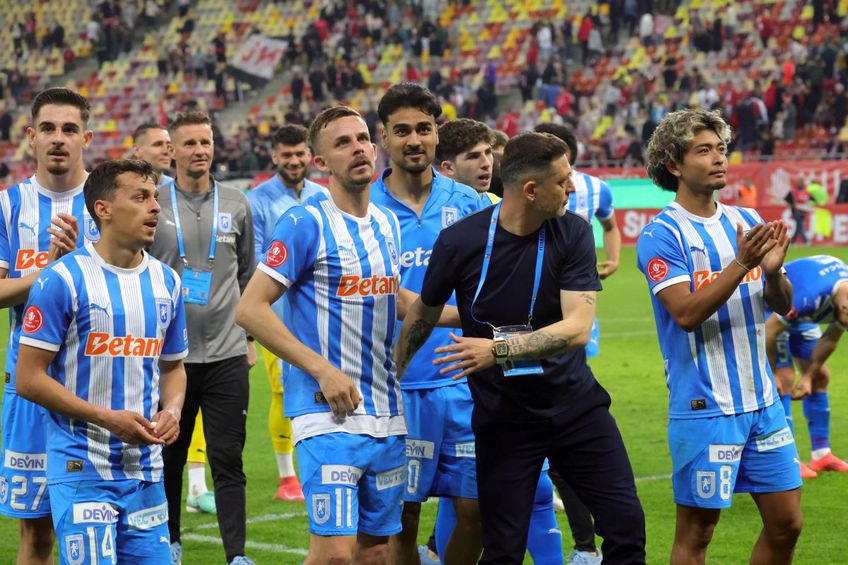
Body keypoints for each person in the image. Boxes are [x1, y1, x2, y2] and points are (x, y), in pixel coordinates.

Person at [396, 131, 646, 564]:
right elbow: (424, 314)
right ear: (531, 190)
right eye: (563, 180)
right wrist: (390, 378)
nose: (572, 188)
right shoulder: (460, 242)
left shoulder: (573, 231)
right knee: (503, 550)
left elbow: (577, 328)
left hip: (577, 408)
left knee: (626, 530)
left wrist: (497, 349)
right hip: (504, 419)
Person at [236, 105, 408, 565]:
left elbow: (398, 299)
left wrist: (478, 320)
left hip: (387, 411)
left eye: (362, 138)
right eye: (342, 143)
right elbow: (250, 309)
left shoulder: (388, 224)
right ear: (320, 162)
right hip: (325, 413)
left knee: (376, 552)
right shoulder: (304, 222)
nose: (358, 148)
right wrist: (322, 370)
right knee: (334, 556)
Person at [637, 109, 802, 565]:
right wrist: (742, 265)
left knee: (787, 524)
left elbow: (782, 303)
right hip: (704, 405)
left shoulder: (745, 219)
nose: (719, 159)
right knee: (698, 534)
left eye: (721, 149)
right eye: (703, 150)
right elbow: (686, 314)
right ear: (674, 164)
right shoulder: (660, 235)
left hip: (763, 401)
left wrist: (771, 277)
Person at [15, 158, 188, 564]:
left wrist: (174, 410)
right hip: (81, 469)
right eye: (141, 197)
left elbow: (173, 367)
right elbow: (28, 378)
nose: (155, 208)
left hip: (146, 471)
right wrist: (107, 418)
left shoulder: (167, 281)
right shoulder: (61, 279)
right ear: (103, 209)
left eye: (155, 198)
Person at [368, 84, 487, 565]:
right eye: (402, 131)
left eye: (423, 128)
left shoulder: (470, 202)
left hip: (464, 378)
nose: (414, 140)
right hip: (399, 384)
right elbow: (387, 296)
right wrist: (463, 314)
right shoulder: (366, 207)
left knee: (478, 508)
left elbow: (491, 282)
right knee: (403, 517)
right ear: (384, 138)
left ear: (437, 134)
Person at [149, 110, 255, 565]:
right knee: (168, 458)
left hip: (228, 352)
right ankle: (170, 543)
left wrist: (248, 336)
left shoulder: (236, 202)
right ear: (172, 150)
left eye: (206, 142)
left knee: (228, 458)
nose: (200, 151)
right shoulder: (152, 201)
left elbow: (248, 274)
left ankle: (237, 556)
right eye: (190, 143)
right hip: (171, 358)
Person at [0, 87, 97, 565]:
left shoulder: (110, 202)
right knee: (37, 537)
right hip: (30, 391)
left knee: (99, 533)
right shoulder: (7, 207)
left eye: (70, 129)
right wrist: (48, 272)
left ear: (87, 138)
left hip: (100, 391)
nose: (59, 139)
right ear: (31, 137)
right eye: (49, 129)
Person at [534, 121, 623, 565]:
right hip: (551, 312)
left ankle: (585, 544)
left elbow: (612, 226)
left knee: (565, 404)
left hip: (573, 307)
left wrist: (612, 260)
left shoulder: (595, 192)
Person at [132, 120, 215, 515]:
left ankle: (193, 492)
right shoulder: (143, 205)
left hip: (198, 335)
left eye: (170, 144)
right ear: (136, 152)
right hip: (139, 331)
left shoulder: (188, 201)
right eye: (159, 145)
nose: (167, 151)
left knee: (177, 417)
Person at [247, 123, 325, 502]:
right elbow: (258, 258)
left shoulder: (323, 195)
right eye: (286, 154)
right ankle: (287, 476)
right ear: (274, 156)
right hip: (277, 313)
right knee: (282, 389)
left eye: (300, 154)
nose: (294, 161)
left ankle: (320, 463)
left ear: (310, 155)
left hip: (321, 312)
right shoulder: (258, 200)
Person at [765, 255, 848, 478]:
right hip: (775, 310)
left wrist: (809, 375)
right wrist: (770, 372)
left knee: (820, 376)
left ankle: (822, 454)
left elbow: (831, 338)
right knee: (783, 379)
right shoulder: (812, 295)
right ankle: (787, 459)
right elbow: (769, 331)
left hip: (802, 318)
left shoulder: (845, 302)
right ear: (845, 307)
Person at [436, 118, 499, 204]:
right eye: (473, 156)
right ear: (449, 167)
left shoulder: (501, 207)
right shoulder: (436, 209)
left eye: (488, 152)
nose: (486, 163)